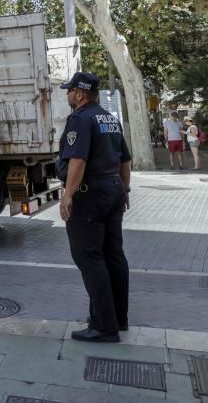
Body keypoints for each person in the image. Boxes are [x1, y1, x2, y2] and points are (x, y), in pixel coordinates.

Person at [58, 71, 131, 343]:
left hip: (90, 196)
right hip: (112, 190)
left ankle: (103, 325)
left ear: (80, 94)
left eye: (69, 90)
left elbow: (77, 161)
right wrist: (125, 188)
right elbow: (125, 159)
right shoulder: (109, 119)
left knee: (89, 257)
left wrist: (68, 196)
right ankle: (119, 318)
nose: (67, 94)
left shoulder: (80, 119)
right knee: (113, 255)